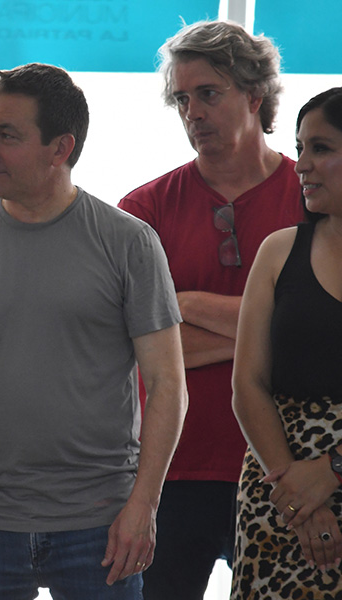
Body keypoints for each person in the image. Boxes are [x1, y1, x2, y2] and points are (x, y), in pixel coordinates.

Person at [0, 62, 188, 600]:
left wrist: (144, 505)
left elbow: (168, 385)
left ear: (61, 147)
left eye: (6, 135)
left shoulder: (128, 242)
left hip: (100, 521)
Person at [117, 20, 304, 599]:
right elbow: (134, 347)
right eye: (181, 98)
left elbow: (328, 337)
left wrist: (185, 305)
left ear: (255, 95)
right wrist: (277, 330)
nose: (192, 112)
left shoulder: (313, 199)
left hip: (287, 467)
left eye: (208, 94)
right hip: (170, 469)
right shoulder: (143, 210)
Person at [231, 87, 342, 598]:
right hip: (279, 497)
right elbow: (248, 385)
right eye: (300, 149)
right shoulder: (279, 251)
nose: (302, 165)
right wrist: (298, 498)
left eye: (321, 148)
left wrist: (332, 470)